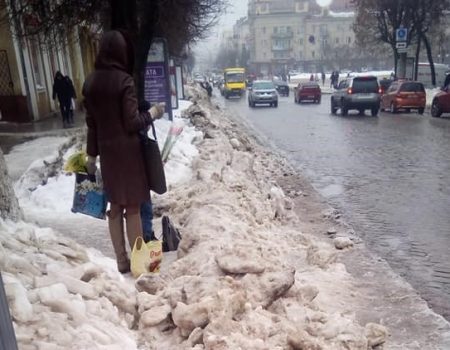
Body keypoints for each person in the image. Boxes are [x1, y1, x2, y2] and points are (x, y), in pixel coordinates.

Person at [82, 30, 164, 273]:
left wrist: (91, 156)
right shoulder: (124, 81)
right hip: (129, 156)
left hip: (108, 157)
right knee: (134, 208)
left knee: (115, 208)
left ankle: (121, 261)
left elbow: (92, 126)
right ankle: (140, 264)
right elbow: (132, 123)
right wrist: (153, 113)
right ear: (120, 53)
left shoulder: (90, 83)